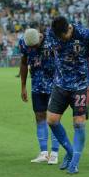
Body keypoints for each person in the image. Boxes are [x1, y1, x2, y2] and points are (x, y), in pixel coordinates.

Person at [47, 16, 89, 174]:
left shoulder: (85, 34)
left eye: (62, 36)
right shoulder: (52, 34)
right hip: (60, 85)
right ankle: (71, 152)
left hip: (81, 85)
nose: (60, 40)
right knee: (51, 120)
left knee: (79, 123)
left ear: (69, 29)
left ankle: (75, 162)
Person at [19, 27, 59, 164]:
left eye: (35, 46)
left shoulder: (52, 40)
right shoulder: (24, 43)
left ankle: (54, 153)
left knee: (53, 119)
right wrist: (23, 86)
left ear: (40, 38)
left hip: (54, 86)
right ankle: (43, 153)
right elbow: (24, 63)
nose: (33, 49)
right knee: (39, 117)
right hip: (36, 86)